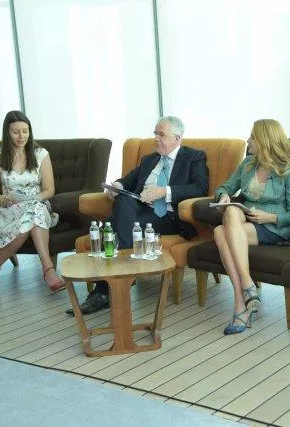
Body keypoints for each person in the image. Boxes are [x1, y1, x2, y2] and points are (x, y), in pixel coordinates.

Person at [66, 116, 209, 315]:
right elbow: (128, 180)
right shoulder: (149, 160)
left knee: (112, 226)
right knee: (124, 199)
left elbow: (200, 188)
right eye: (155, 134)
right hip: (141, 213)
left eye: (161, 134)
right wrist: (117, 186)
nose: (156, 138)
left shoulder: (193, 157)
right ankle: (117, 283)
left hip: (169, 216)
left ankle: (103, 291)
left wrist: (164, 191)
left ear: (177, 138)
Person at [213, 119, 290, 335]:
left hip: (273, 227)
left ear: (265, 140)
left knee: (220, 231)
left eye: (253, 137)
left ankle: (241, 302)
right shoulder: (248, 164)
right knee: (231, 211)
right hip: (246, 222)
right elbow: (224, 187)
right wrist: (224, 196)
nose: (248, 140)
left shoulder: (288, 171)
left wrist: (270, 217)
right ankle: (246, 289)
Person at [0, 110, 64, 293]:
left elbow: (49, 190)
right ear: (7, 132)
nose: (21, 136)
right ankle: (48, 272)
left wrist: (34, 199)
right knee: (30, 221)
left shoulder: (41, 154)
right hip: (8, 208)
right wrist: (2, 200)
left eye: (25, 131)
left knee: (35, 211)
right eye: (16, 132)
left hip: (37, 204)